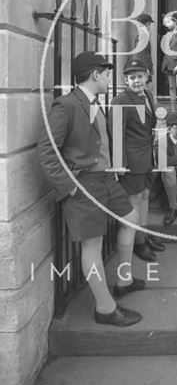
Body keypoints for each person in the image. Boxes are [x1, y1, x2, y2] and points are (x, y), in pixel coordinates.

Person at [37, 51, 144, 327]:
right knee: (92, 244)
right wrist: (69, 188)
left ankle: (124, 280)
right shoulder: (67, 105)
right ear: (95, 74)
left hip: (107, 181)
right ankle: (105, 308)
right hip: (84, 185)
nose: (110, 78)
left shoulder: (94, 102)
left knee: (131, 218)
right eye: (107, 73)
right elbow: (47, 150)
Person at [111, 57, 164, 263]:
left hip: (147, 158)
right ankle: (138, 244)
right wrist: (119, 163)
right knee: (133, 203)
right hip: (131, 162)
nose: (136, 81)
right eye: (132, 77)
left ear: (147, 77)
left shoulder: (148, 95)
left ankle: (144, 235)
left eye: (140, 76)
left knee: (145, 197)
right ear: (126, 81)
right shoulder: (120, 101)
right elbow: (116, 134)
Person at [133, 13, 154, 86]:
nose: (150, 27)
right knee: (147, 89)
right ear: (147, 24)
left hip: (143, 66)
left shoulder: (142, 34)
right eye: (150, 24)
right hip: (143, 67)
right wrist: (145, 68)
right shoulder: (143, 35)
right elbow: (141, 53)